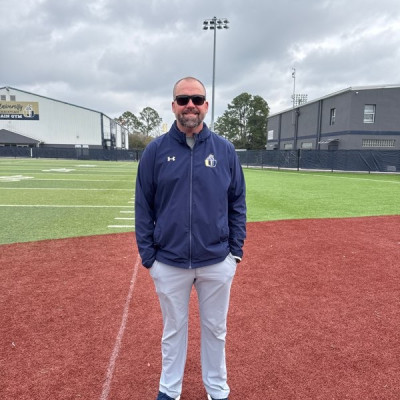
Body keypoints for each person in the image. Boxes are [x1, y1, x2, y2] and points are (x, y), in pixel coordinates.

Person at [135, 77, 246, 400]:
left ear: (206, 106)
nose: (190, 106)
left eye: (197, 99)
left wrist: (234, 252)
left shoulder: (224, 150)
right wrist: (149, 258)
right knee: (173, 330)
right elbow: (143, 206)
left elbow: (237, 202)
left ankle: (217, 389)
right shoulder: (155, 151)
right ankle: (169, 390)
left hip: (216, 260)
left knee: (215, 329)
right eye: (183, 100)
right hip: (169, 262)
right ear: (173, 106)